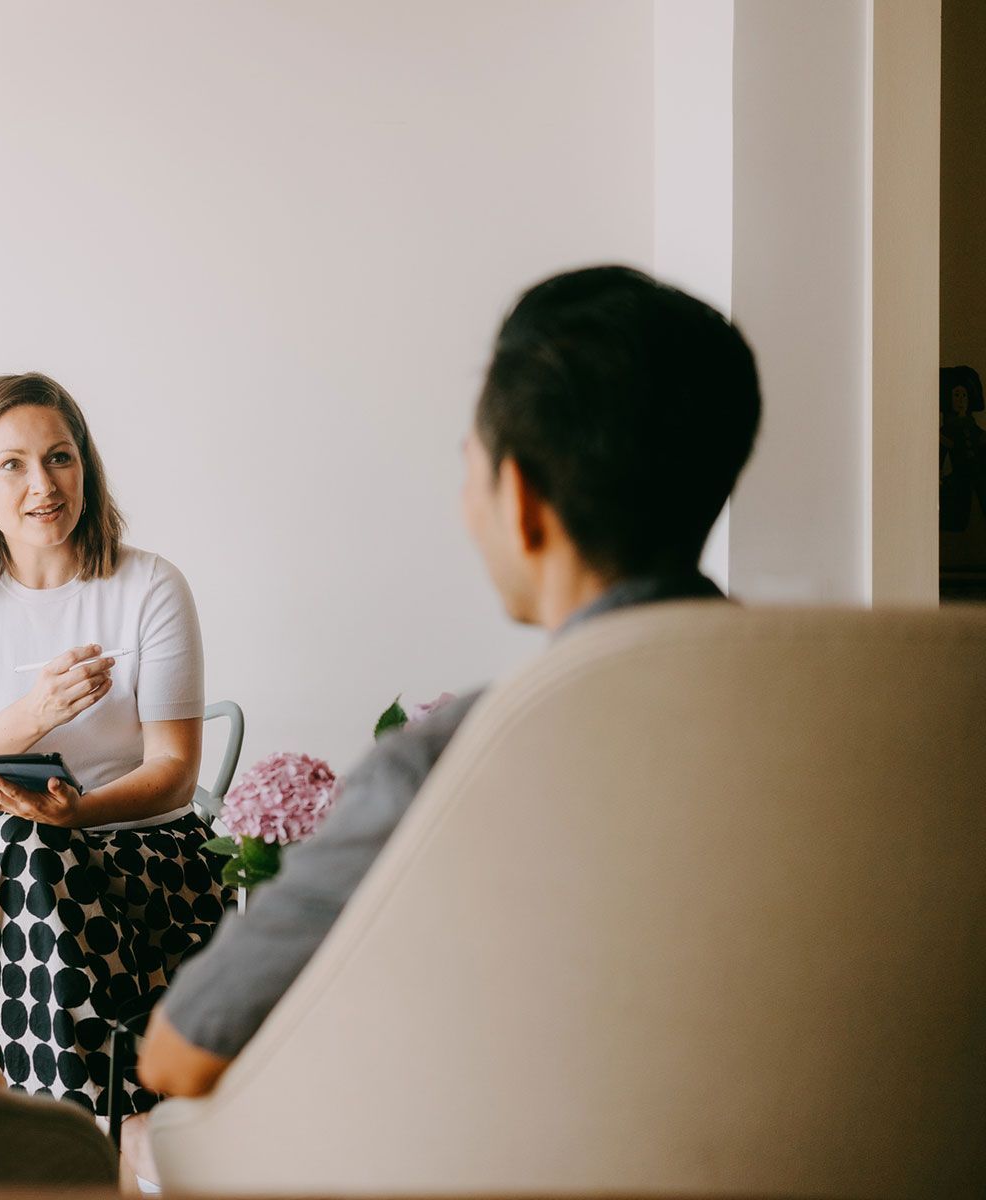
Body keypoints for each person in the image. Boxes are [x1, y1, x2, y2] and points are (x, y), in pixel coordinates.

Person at [140, 265, 763, 1098]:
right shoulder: (879, 726)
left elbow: (180, 1054)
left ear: (522, 502)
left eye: (469, 464)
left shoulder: (450, 761)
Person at [0, 371, 232, 1119]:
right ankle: (110, 1130)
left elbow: (175, 773)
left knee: (38, 852)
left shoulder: (150, 587)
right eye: (11, 463)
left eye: (60, 457)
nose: (42, 484)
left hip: (133, 857)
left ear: (86, 464)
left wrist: (74, 816)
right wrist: (33, 715)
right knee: (22, 846)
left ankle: (32, 1139)